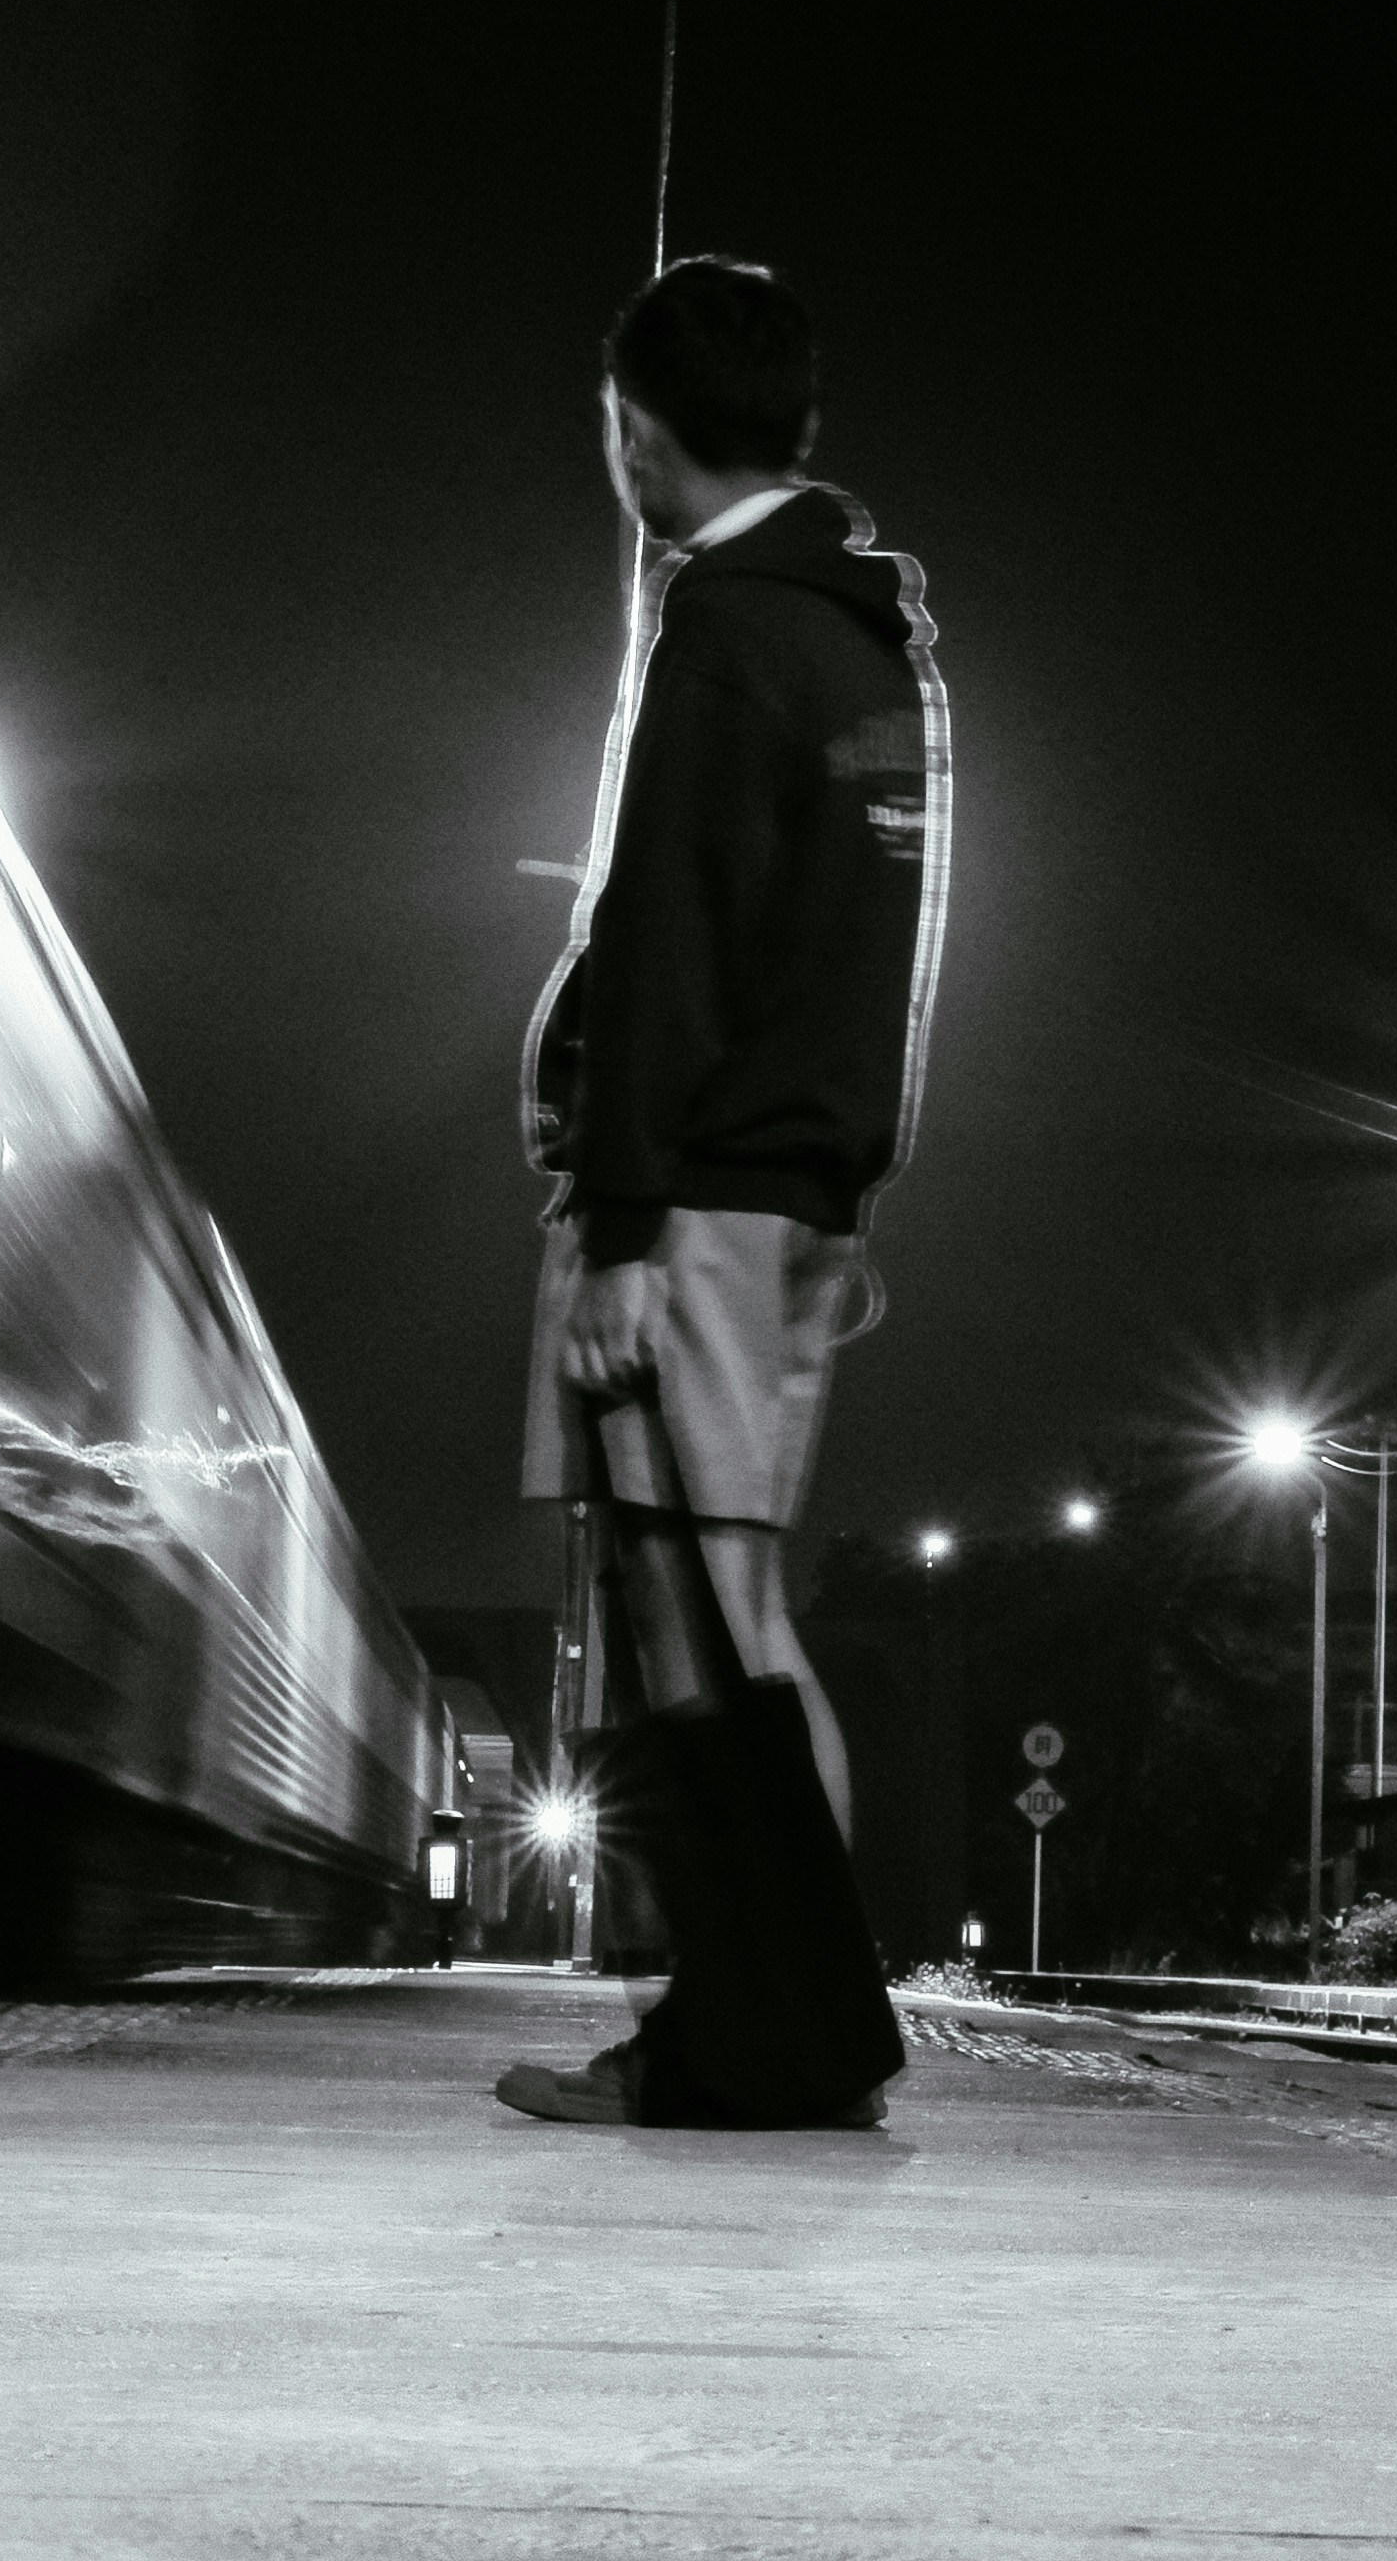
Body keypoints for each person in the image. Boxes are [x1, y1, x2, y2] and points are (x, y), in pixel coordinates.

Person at [490, 257, 950, 2129]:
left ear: (636, 429)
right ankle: (792, 2024)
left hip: (695, 1202)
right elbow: (873, 951)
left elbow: (668, 937)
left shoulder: (724, 632)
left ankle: (764, 2034)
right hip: (797, 1195)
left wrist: (613, 1230)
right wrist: (845, 1184)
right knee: (738, 1616)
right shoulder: (872, 647)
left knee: (697, 1627)